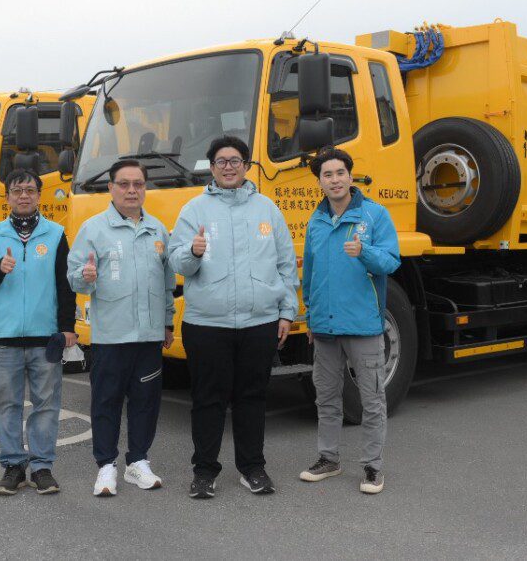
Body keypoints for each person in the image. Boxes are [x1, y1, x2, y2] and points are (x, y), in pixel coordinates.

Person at [167, 135, 298, 499]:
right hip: (208, 324)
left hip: (259, 323)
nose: (229, 166)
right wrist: (192, 252)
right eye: (221, 161)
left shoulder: (267, 209)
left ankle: (252, 468)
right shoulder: (194, 210)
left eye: (235, 160)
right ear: (211, 168)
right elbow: (176, 261)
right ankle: (204, 471)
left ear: (246, 166)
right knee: (208, 400)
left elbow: (286, 264)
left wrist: (287, 311)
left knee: (252, 398)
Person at [68, 159, 176, 497]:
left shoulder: (158, 230)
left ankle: (138, 463)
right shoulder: (94, 229)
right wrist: (83, 278)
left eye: (138, 184)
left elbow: (167, 282)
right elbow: (74, 276)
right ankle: (106, 466)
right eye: (124, 184)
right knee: (106, 402)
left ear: (145, 188)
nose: (132, 190)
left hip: (148, 336)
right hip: (110, 336)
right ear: (112, 188)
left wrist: (168, 322)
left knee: (146, 402)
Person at [297, 148, 400, 495]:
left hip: (364, 326)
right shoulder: (316, 220)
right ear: (320, 182)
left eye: (340, 172)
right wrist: (310, 315)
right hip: (325, 328)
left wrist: (365, 252)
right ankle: (329, 458)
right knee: (326, 398)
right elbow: (310, 274)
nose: (335, 179)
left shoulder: (374, 215)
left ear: (350, 176)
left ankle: (373, 467)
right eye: (327, 175)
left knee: (371, 400)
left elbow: (391, 262)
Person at [0, 168, 77, 496]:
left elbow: (66, 286)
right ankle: (13, 466)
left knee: (46, 403)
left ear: (39, 195)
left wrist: (67, 328)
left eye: (30, 189)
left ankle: (42, 466)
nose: (23, 195)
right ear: (7, 198)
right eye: (17, 190)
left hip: (44, 337)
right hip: (4, 337)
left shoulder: (56, 234)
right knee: (5, 403)